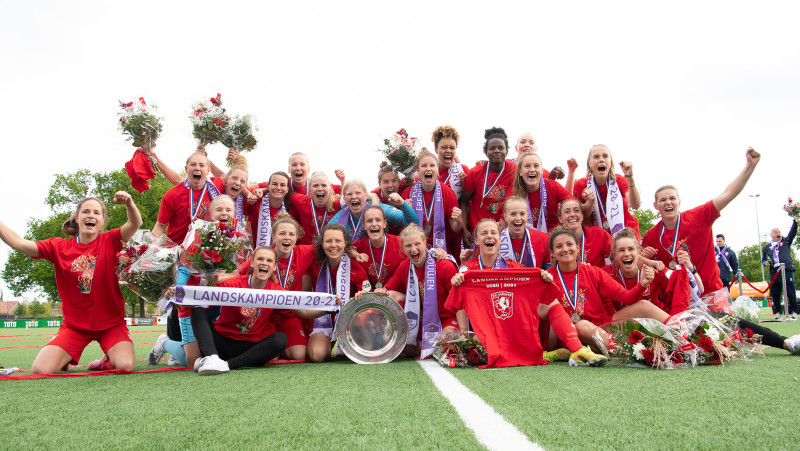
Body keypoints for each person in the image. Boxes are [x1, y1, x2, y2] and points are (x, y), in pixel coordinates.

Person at [0, 192, 142, 374]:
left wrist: (129, 203)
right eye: (86, 211)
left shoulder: (111, 240)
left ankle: (105, 361)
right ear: (77, 218)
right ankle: (64, 358)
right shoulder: (58, 247)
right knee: (40, 369)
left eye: (96, 213)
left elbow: (134, 224)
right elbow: (19, 243)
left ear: (102, 220)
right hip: (75, 327)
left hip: (111, 325)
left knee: (124, 365)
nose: (91, 215)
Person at [451, 219, 607, 366]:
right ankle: (542, 354)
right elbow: (459, 303)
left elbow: (534, 289)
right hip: (485, 332)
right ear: (477, 240)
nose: (489, 236)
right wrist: (464, 334)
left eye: (493, 232)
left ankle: (577, 349)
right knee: (481, 350)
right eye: (484, 233)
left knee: (551, 302)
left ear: (499, 239)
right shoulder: (468, 269)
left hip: (513, 329)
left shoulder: (514, 267)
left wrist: (542, 279)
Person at [642, 147, 761, 297]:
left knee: (726, 321)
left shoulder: (698, 217)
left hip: (710, 293)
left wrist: (750, 166)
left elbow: (728, 194)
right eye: (663, 200)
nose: (668, 203)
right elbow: (636, 262)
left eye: (672, 198)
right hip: (677, 298)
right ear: (655, 205)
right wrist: (644, 256)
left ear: (679, 202)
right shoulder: (651, 236)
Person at [546, 228, 670, 352]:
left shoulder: (594, 272)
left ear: (578, 249)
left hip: (603, 327)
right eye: (559, 246)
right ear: (553, 253)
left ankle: (683, 334)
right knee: (581, 326)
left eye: (569, 244)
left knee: (644, 305)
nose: (565, 249)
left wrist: (642, 284)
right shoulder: (547, 278)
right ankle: (629, 352)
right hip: (572, 334)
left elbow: (627, 298)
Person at [368, 224, 463, 358]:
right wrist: (380, 293)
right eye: (408, 246)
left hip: (446, 320)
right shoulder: (404, 267)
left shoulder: (444, 265)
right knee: (406, 350)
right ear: (403, 247)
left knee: (442, 349)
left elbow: (460, 300)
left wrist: (464, 331)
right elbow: (389, 292)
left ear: (425, 242)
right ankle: (416, 342)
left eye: (417, 244)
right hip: (420, 321)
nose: (413, 249)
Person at [190, 246, 288, 375]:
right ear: (252, 263)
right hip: (221, 342)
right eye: (260, 259)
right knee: (198, 311)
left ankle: (225, 365)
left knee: (281, 339)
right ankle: (212, 358)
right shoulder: (232, 284)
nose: (264, 263)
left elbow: (302, 310)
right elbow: (202, 303)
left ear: (274, 267)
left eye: (269, 261)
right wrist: (176, 296)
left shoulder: (278, 292)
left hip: (249, 348)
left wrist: (323, 308)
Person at [305, 224, 370, 362]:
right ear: (322, 244)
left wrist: (356, 297)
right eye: (328, 241)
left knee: (362, 352)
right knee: (317, 355)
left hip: (350, 322)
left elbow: (368, 297)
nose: (333, 245)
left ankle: (343, 342)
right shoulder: (314, 264)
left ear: (345, 243)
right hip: (322, 321)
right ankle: (328, 344)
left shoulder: (356, 266)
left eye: (338, 241)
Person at [401, 149, 463, 258]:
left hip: (441, 252)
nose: (428, 169)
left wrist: (459, 220)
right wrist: (406, 212)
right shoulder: (408, 193)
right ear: (418, 170)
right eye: (424, 166)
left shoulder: (448, 193)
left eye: (432, 165)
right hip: (415, 253)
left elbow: (455, 228)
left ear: (437, 169)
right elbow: (402, 230)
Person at [460, 127, 517, 246]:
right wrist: (464, 229)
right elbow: (464, 201)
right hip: (477, 233)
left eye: (501, 148)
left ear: (507, 151)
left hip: (503, 234)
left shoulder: (515, 171)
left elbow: (537, 173)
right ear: (486, 152)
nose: (497, 151)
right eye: (492, 148)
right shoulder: (475, 173)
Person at [572, 144, 641, 239]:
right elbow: (581, 218)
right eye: (596, 157)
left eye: (605, 156)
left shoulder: (619, 180)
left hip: (626, 234)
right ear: (590, 163)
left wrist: (630, 177)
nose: (601, 159)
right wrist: (589, 202)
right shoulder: (581, 185)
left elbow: (635, 205)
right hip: (597, 237)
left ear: (610, 161)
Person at [329, 179, 418, 241]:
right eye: (349, 194)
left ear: (366, 195)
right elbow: (325, 237)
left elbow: (413, 222)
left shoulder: (378, 208)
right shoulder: (340, 218)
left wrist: (402, 204)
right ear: (344, 198)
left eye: (358, 193)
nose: (354, 196)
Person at [511, 152, 573, 232]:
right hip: (527, 240)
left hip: (552, 239)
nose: (532, 169)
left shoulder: (553, 186)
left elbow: (575, 206)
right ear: (520, 171)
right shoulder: (514, 192)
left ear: (541, 171)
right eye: (527, 166)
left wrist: (589, 202)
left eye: (536, 166)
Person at [352, 206, 407, 288]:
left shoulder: (400, 244)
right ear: (364, 226)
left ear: (384, 223)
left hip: (394, 297)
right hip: (369, 298)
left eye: (378, 220)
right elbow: (344, 249)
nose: (374, 224)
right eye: (369, 221)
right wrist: (352, 253)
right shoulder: (358, 247)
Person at [286, 171, 342, 245]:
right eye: (315, 186)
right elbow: (283, 191)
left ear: (329, 189)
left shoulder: (337, 205)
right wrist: (265, 189)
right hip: (306, 251)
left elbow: (352, 196)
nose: (320, 189)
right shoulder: (301, 201)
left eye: (323, 185)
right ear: (310, 190)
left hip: (329, 251)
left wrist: (343, 180)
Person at [557, 198, 612, 268]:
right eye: (567, 212)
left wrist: (598, 273)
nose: (572, 214)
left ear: (582, 216)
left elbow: (617, 256)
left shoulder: (598, 234)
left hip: (596, 278)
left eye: (576, 210)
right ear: (560, 218)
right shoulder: (555, 241)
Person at [762, 221, 798, 320]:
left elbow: (793, 232)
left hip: (786, 269)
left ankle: (794, 311)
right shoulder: (767, 247)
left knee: (790, 291)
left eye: (779, 232)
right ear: (772, 235)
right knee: (775, 292)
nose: (778, 233)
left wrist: (795, 222)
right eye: (775, 232)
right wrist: (765, 263)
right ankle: (778, 312)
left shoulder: (786, 241)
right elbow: (763, 259)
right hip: (774, 270)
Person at [432, 125, 469, 202]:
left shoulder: (463, 170)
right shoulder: (429, 170)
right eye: (444, 147)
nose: (448, 151)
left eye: (452, 148)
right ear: (436, 149)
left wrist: (466, 183)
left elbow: (470, 200)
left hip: (455, 212)